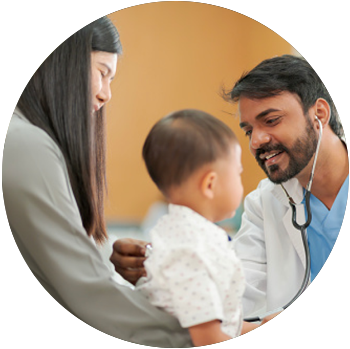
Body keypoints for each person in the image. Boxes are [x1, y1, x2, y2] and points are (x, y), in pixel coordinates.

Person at [111, 55, 349, 326]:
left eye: (271, 120)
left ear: (319, 114)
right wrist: (155, 269)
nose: (257, 141)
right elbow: (238, 292)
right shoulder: (266, 202)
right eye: (249, 131)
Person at [2, 16, 193, 347]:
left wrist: (109, 254)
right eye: (103, 72)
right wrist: (195, 327)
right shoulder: (31, 144)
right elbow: (85, 284)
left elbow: (75, 244)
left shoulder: (41, 141)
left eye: (112, 80)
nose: (106, 94)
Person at [136, 109, 245, 345]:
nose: (241, 183)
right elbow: (208, 337)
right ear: (210, 184)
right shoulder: (189, 251)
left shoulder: (182, 232)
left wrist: (262, 318)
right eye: (238, 173)